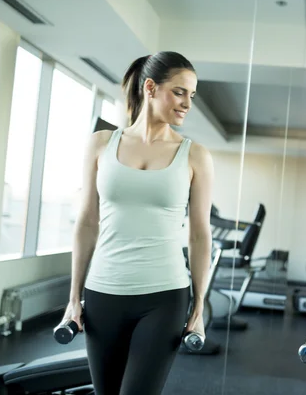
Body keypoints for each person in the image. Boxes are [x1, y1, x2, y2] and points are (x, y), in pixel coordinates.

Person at [60, 51, 214, 394]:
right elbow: (87, 221)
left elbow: (201, 235)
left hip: (164, 295)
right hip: (103, 292)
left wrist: (200, 304)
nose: (188, 102)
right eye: (180, 92)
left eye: (192, 94)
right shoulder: (101, 144)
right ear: (150, 87)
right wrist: (74, 296)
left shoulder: (195, 155)